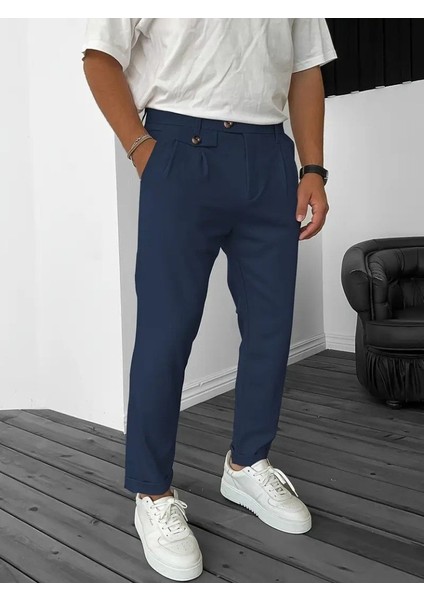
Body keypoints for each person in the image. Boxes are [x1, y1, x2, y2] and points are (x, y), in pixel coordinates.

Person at [81, 18, 337, 582]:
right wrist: (142, 149)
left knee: (271, 326)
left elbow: (305, 68)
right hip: (177, 146)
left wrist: (313, 167)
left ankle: (247, 464)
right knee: (166, 330)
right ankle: (152, 492)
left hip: (270, 157)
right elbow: (100, 57)